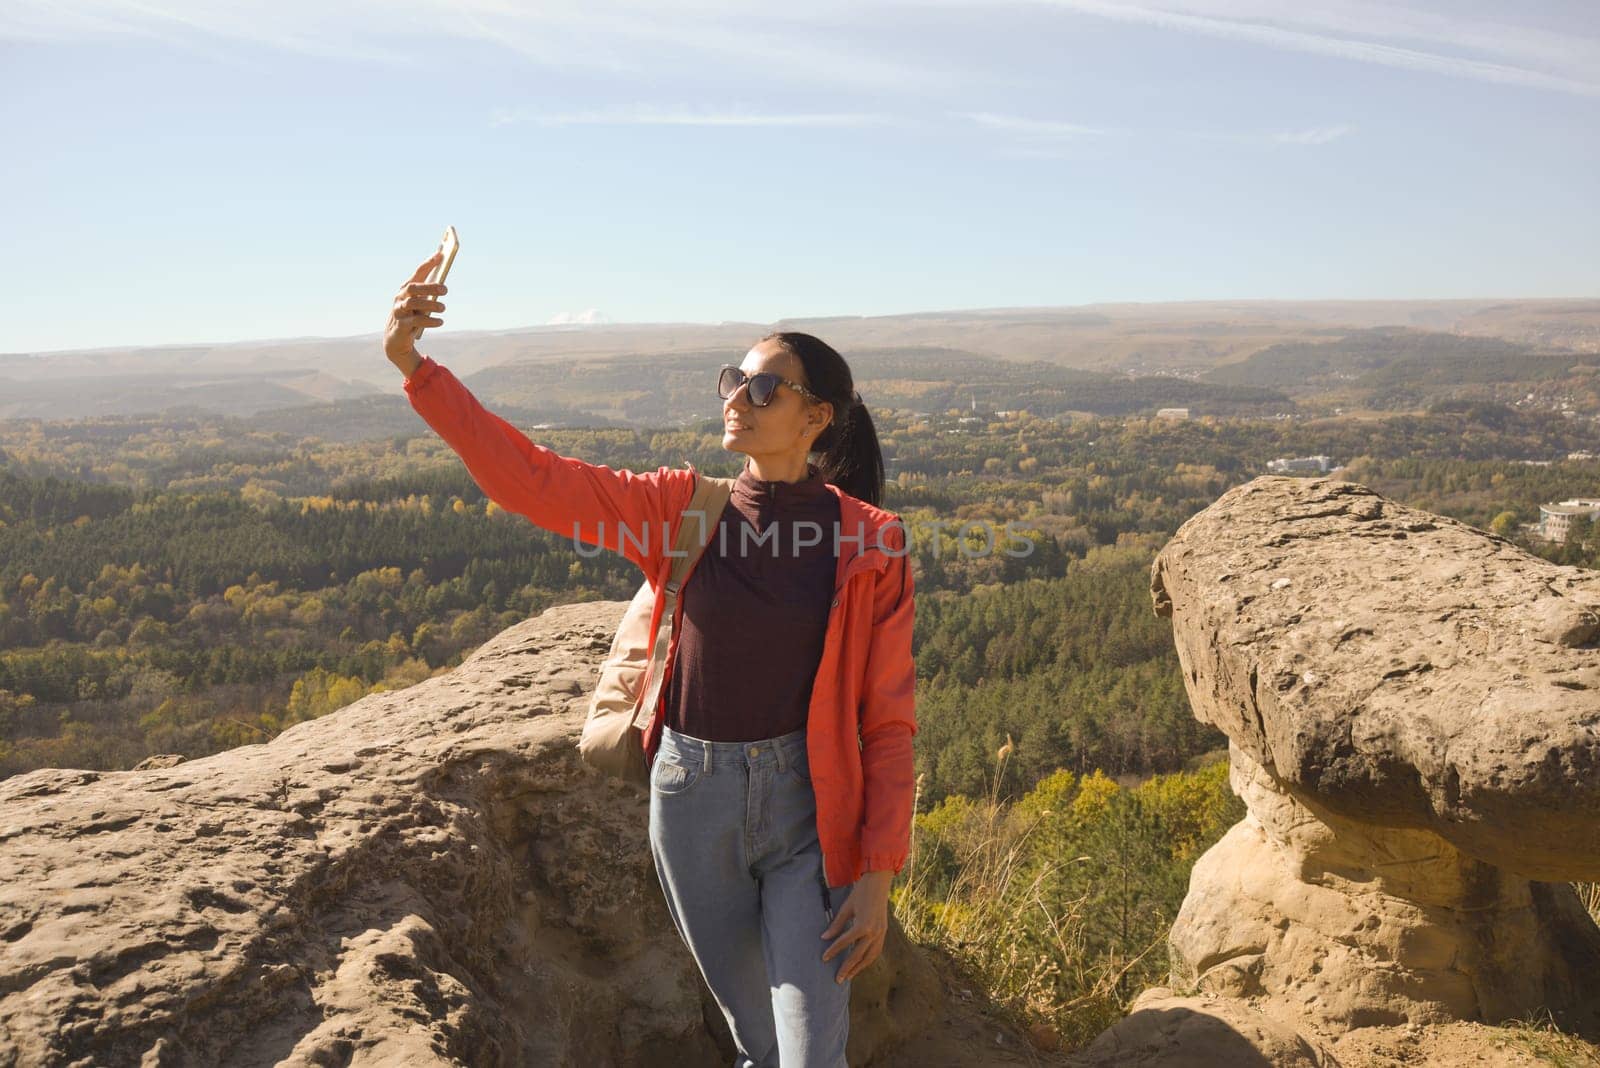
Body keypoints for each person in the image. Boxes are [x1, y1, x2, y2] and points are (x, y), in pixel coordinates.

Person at [384, 252, 917, 1067]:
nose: (738, 398)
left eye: (764, 387)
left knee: (812, 1053)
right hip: (690, 799)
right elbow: (535, 480)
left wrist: (877, 872)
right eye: (732, 379)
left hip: (810, 811)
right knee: (759, 1040)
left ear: (817, 418)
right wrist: (416, 369)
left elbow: (885, 722)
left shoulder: (870, 542)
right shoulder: (681, 511)